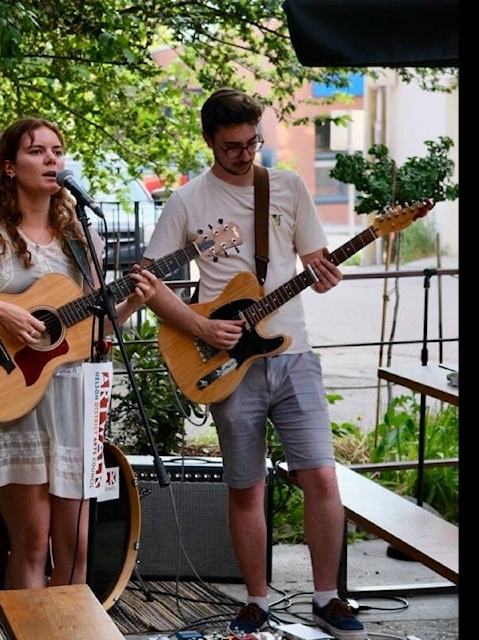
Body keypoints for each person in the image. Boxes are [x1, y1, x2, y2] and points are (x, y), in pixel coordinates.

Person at [141, 88, 365, 640]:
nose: (245, 155)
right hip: (227, 362)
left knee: (320, 476)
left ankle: (327, 597)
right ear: (209, 142)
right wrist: (199, 326)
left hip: (295, 355)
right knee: (245, 487)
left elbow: (314, 259)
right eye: (232, 147)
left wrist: (325, 272)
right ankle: (257, 602)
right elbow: (146, 282)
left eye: (252, 143)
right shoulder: (188, 201)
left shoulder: (287, 186)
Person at [0, 117, 159, 589]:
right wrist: (0, 313)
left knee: (78, 543)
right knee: (31, 539)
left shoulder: (81, 238)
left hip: (67, 397)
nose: (51, 160)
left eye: (57, 151)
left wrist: (129, 304)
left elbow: (90, 331)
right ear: (8, 166)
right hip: (6, 395)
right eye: (37, 151)